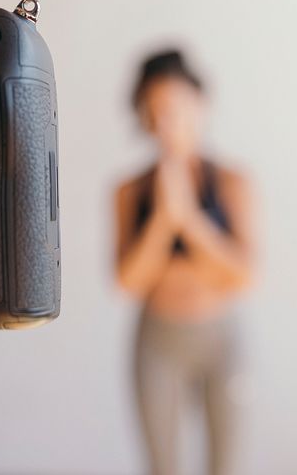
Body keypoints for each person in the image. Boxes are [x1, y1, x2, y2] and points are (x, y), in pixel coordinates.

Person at [114, 50, 256, 475]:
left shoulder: (233, 182)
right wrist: (162, 219)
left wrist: (189, 220)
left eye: (174, 109)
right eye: (154, 111)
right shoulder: (129, 191)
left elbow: (244, 275)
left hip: (222, 341)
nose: (166, 123)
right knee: (161, 466)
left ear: (201, 106)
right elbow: (127, 281)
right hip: (158, 340)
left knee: (226, 465)